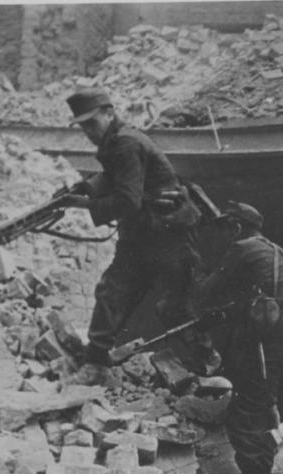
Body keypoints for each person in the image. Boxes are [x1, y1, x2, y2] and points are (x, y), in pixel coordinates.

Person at [61, 87, 218, 380]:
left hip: (168, 237)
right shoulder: (120, 140)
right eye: (83, 127)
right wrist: (89, 186)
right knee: (111, 292)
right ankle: (96, 363)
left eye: (92, 123)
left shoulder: (125, 143)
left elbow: (127, 201)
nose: (88, 132)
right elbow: (119, 176)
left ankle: (207, 366)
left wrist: (86, 205)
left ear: (109, 114)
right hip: (143, 233)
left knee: (174, 307)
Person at [196, 203, 283, 474]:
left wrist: (195, 270)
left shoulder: (243, 248)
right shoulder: (278, 253)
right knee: (263, 396)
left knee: (245, 409)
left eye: (225, 230)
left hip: (271, 336)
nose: (223, 237)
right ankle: (272, 460)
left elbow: (207, 292)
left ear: (236, 228)